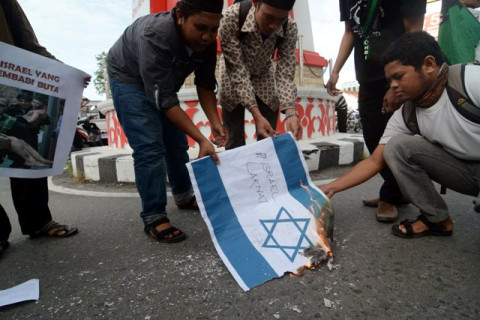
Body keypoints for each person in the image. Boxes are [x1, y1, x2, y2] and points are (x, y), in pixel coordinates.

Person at [320, 31, 480, 239]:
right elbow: (374, 162)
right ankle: (437, 219)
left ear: (429, 65)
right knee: (397, 147)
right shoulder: (406, 114)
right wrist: (329, 188)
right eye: (389, 80)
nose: (393, 86)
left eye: (399, 77)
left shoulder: (470, 82)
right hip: (465, 174)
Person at [106, 0, 227, 243]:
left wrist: (215, 121)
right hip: (129, 79)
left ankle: (183, 195)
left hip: (162, 85)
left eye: (214, 29)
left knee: (176, 144)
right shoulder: (156, 36)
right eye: (201, 27)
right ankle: (153, 215)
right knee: (150, 148)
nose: (207, 37)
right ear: (180, 16)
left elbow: (204, 84)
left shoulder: (207, 42)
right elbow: (167, 103)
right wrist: (202, 139)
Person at [325, 0, 426, 223]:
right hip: (366, 77)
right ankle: (397, 190)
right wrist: (336, 72)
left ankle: (390, 195)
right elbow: (350, 32)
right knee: (372, 136)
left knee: (393, 139)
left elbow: (414, 34)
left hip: (397, 75)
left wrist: (396, 82)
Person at [0, 0, 81, 258]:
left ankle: (38, 220)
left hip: (8, 78)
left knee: (26, 144)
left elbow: (29, 44)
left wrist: (67, 74)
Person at [218, 0, 301, 150]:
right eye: (269, 17)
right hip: (232, 75)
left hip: (263, 73)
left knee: (268, 139)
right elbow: (237, 71)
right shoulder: (231, 17)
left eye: (281, 19)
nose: (274, 25)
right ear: (256, 3)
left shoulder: (289, 27)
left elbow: (285, 73)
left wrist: (291, 112)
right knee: (234, 142)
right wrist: (256, 115)